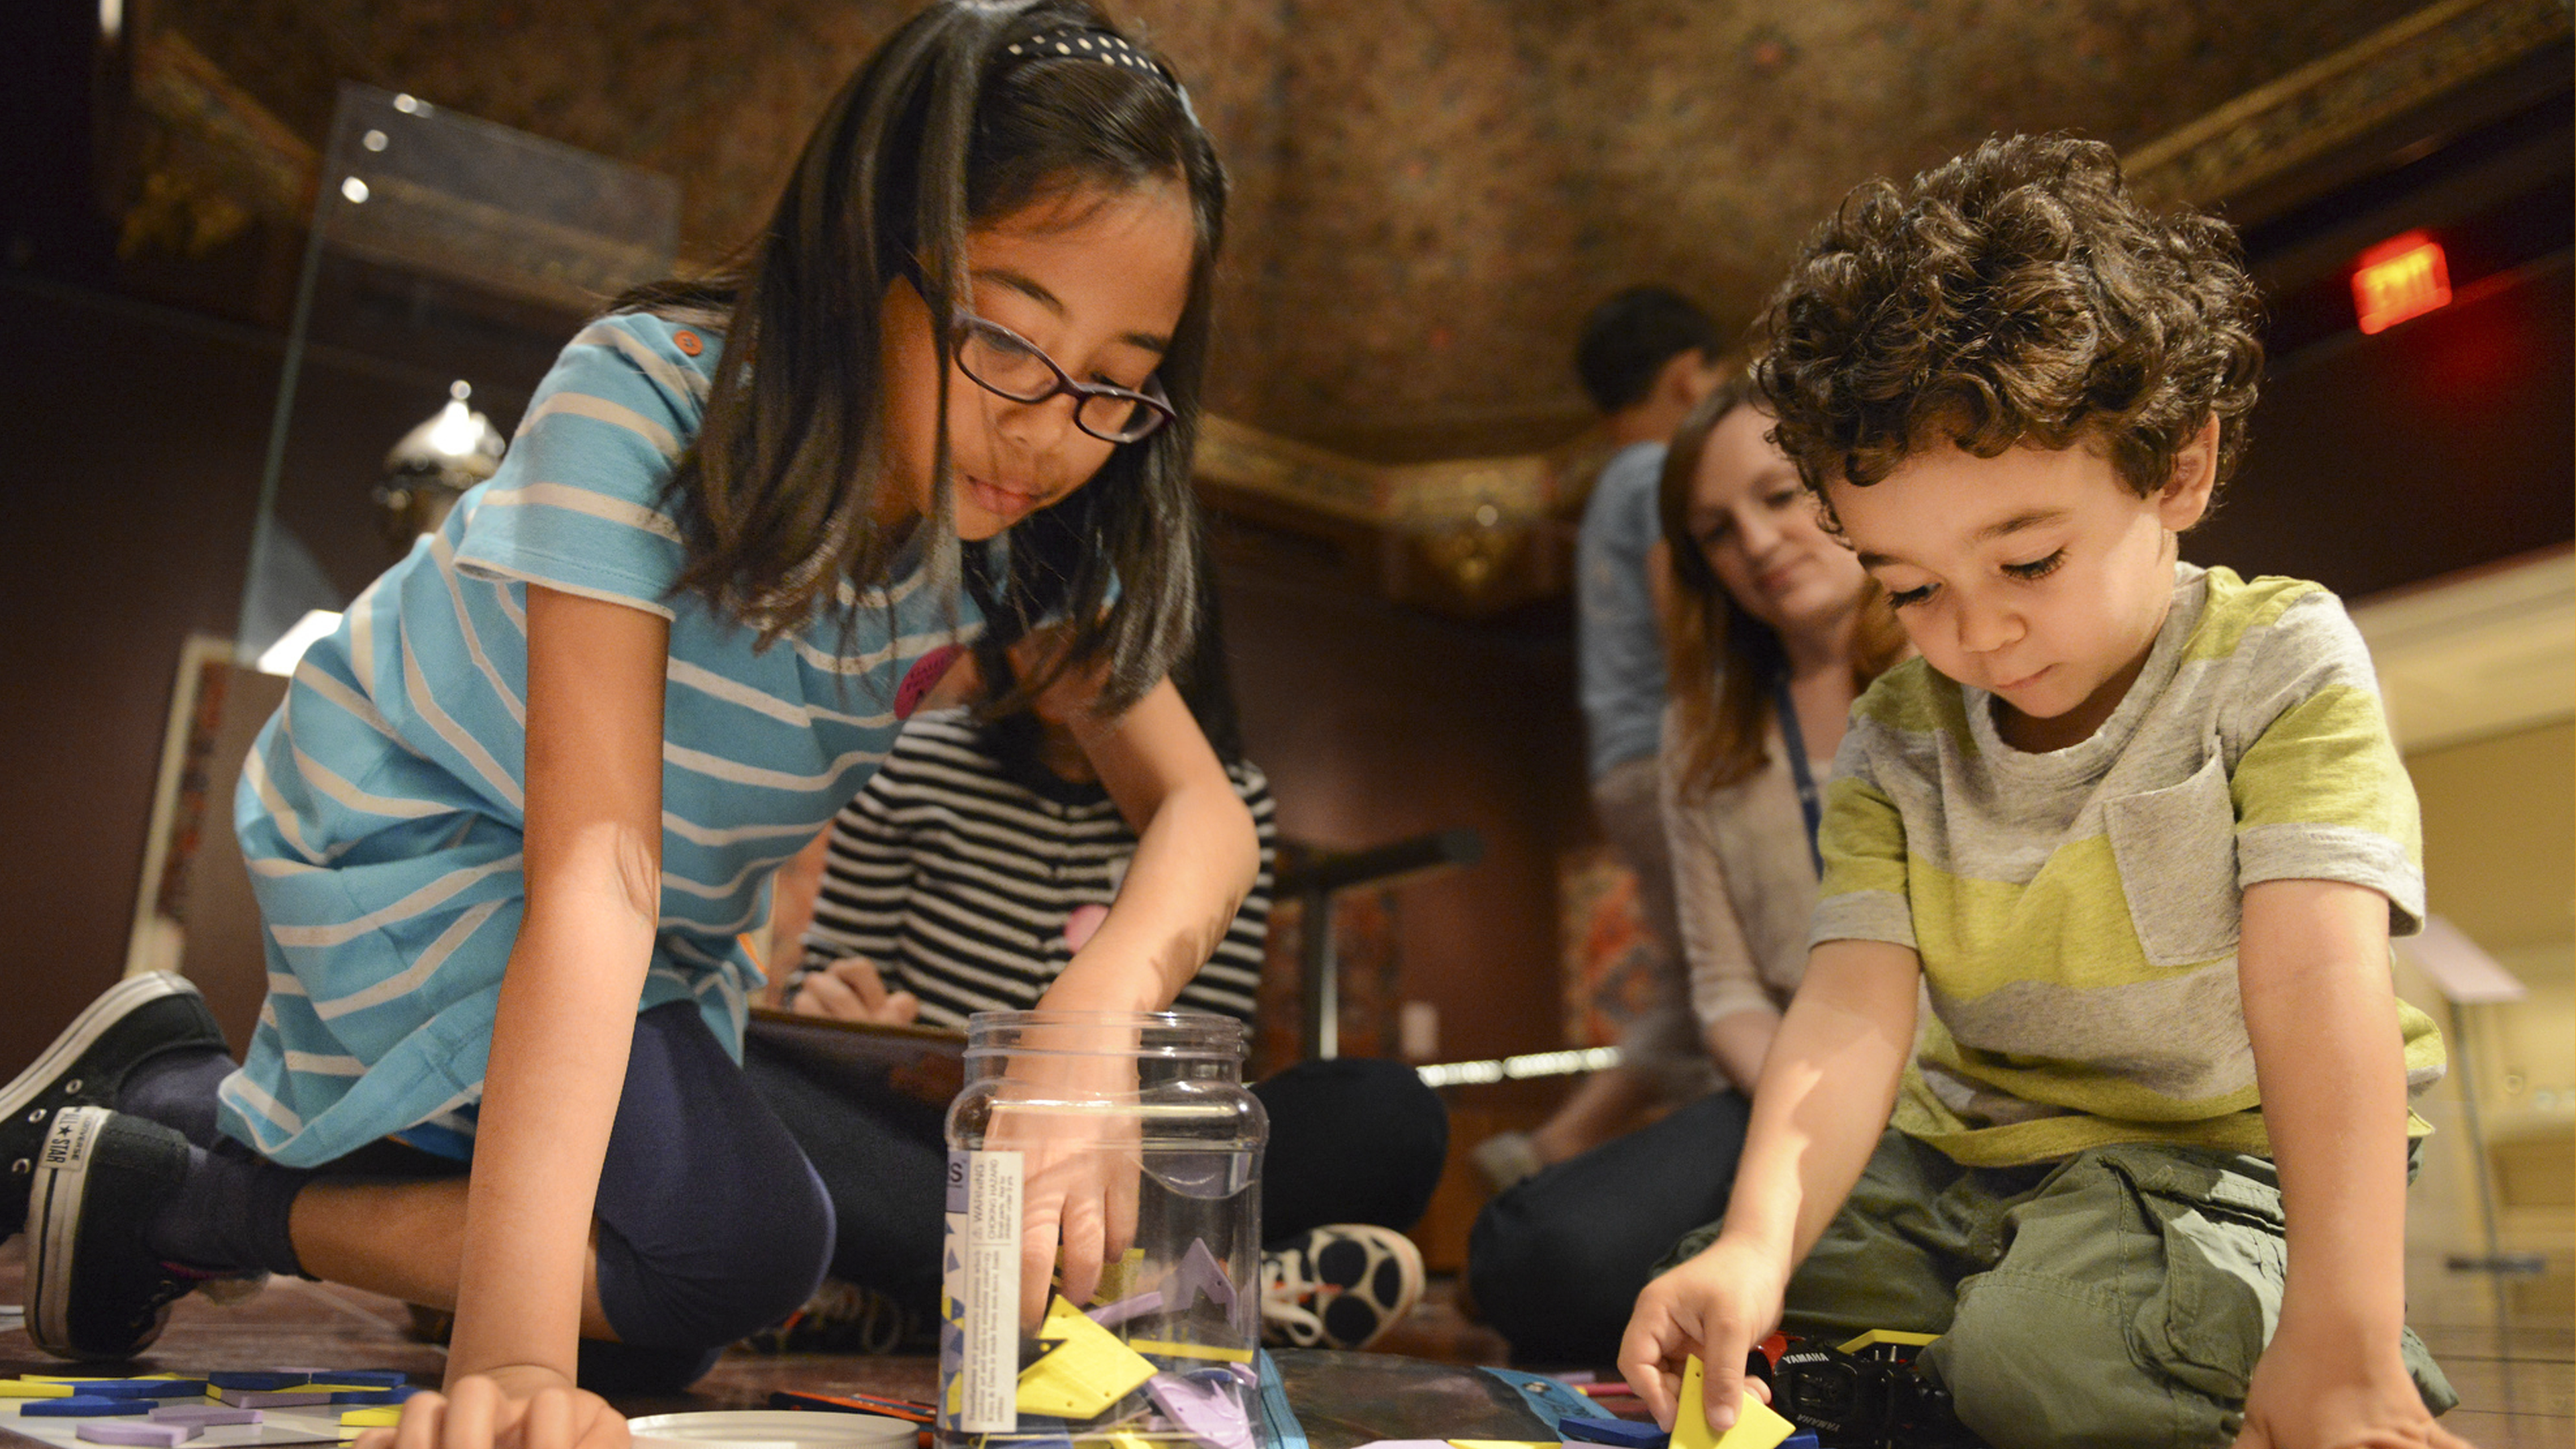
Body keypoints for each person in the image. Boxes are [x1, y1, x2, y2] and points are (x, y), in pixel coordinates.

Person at [8, 5, 1258, 1444]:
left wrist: (1086, 1028)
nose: (1049, 430)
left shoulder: (1022, 538)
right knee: (731, 1254)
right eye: (1010, 341)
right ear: (871, 254)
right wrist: (517, 1368)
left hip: (654, 952)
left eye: (1116, 384)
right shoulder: (656, 400)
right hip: (425, 840)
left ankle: (167, 1129)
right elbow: (597, 869)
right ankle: (198, 1180)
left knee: (673, 1314)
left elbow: (1204, 812)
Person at [1618, 135, 2464, 1449]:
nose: (1977, 637)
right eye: (1910, 588)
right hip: (1978, 1160)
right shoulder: (1902, 730)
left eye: (2030, 560)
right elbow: (1848, 1015)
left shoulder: (2277, 661)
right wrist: (1751, 1245)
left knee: (2036, 1354)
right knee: (1733, 1287)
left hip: (2224, 1155)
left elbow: (2317, 985)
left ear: (2176, 468)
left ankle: (2320, 1349)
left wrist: (2342, 1330)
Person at [742, 611, 1446, 1354]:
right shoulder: (910, 761)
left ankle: (934, 1298)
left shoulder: (1227, 799)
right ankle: (1187, 1294)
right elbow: (829, 989)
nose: (1063, 642)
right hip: (944, 1151)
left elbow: (1201, 1060)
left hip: (1132, 1159)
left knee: (1387, 1114)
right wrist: (850, 1010)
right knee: (734, 1071)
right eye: (1041, 614)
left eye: (1107, 614)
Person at [1467, 378, 1904, 1365]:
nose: (1754, 540)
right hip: (1786, 1084)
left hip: (1967, 1095)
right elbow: (1723, 992)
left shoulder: (1963, 658)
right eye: (1716, 528)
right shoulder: (1699, 736)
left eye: (1779, 495)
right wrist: (1812, 1099)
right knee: (1532, 1253)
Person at [1474, 286, 1729, 1193]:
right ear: (1686, 375)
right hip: (1674, 752)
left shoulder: (1605, 490)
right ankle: (1703, 1183)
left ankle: (1543, 1155)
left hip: (1621, 764)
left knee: (1693, 990)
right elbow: (1681, 609)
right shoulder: (1662, 473)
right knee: (1734, 979)